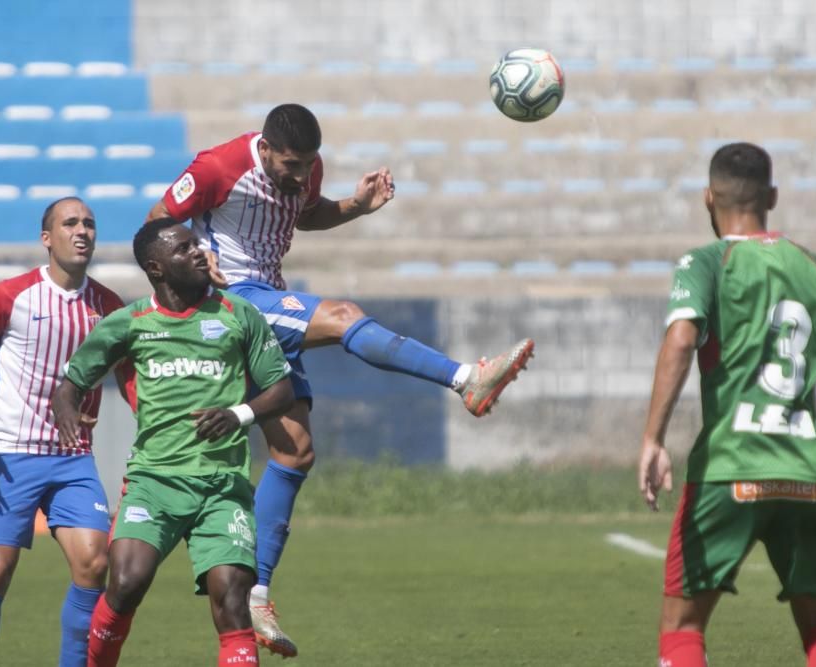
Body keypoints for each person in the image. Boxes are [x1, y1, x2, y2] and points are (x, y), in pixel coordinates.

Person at [145, 103, 534, 656]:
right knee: (345, 314)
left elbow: (305, 213)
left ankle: (254, 592)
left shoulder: (308, 170)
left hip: (266, 299)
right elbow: (156, 224)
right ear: (266, 148)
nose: (301, 176)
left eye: (308, 165)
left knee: (295, 453)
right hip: (232, 300)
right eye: (291, 165)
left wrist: (356, 205)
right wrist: (201, 261)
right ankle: (467, 378)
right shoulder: (217, 167)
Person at [638, 142, 816, 667]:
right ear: (772, 196)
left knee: (683, 628)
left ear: (707, 198)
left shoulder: (706, 263)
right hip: (806, 473)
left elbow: (683, 339)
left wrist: (653, 438)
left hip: (728, 470)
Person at [52, 218, 295, 667]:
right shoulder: (129, 323)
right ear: (157, 268)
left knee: (232, 598)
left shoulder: (238, 314)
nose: (199, 252)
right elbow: (70, 383)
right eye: (184, 249)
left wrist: (238, 414)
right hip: (154, 481)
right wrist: (66, 412)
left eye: (197, 243)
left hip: (222, 486)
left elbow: (282, 390)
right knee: (125, 582)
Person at [0, 197, 129, 667]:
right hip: (12, 453)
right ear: (47, 238)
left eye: (90, 222)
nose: (82, 230)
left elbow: (129, 376)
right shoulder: (10, 296)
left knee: (94, 563)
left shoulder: (109, 307)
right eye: (70, 223)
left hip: (73, 458)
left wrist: (150, 416)